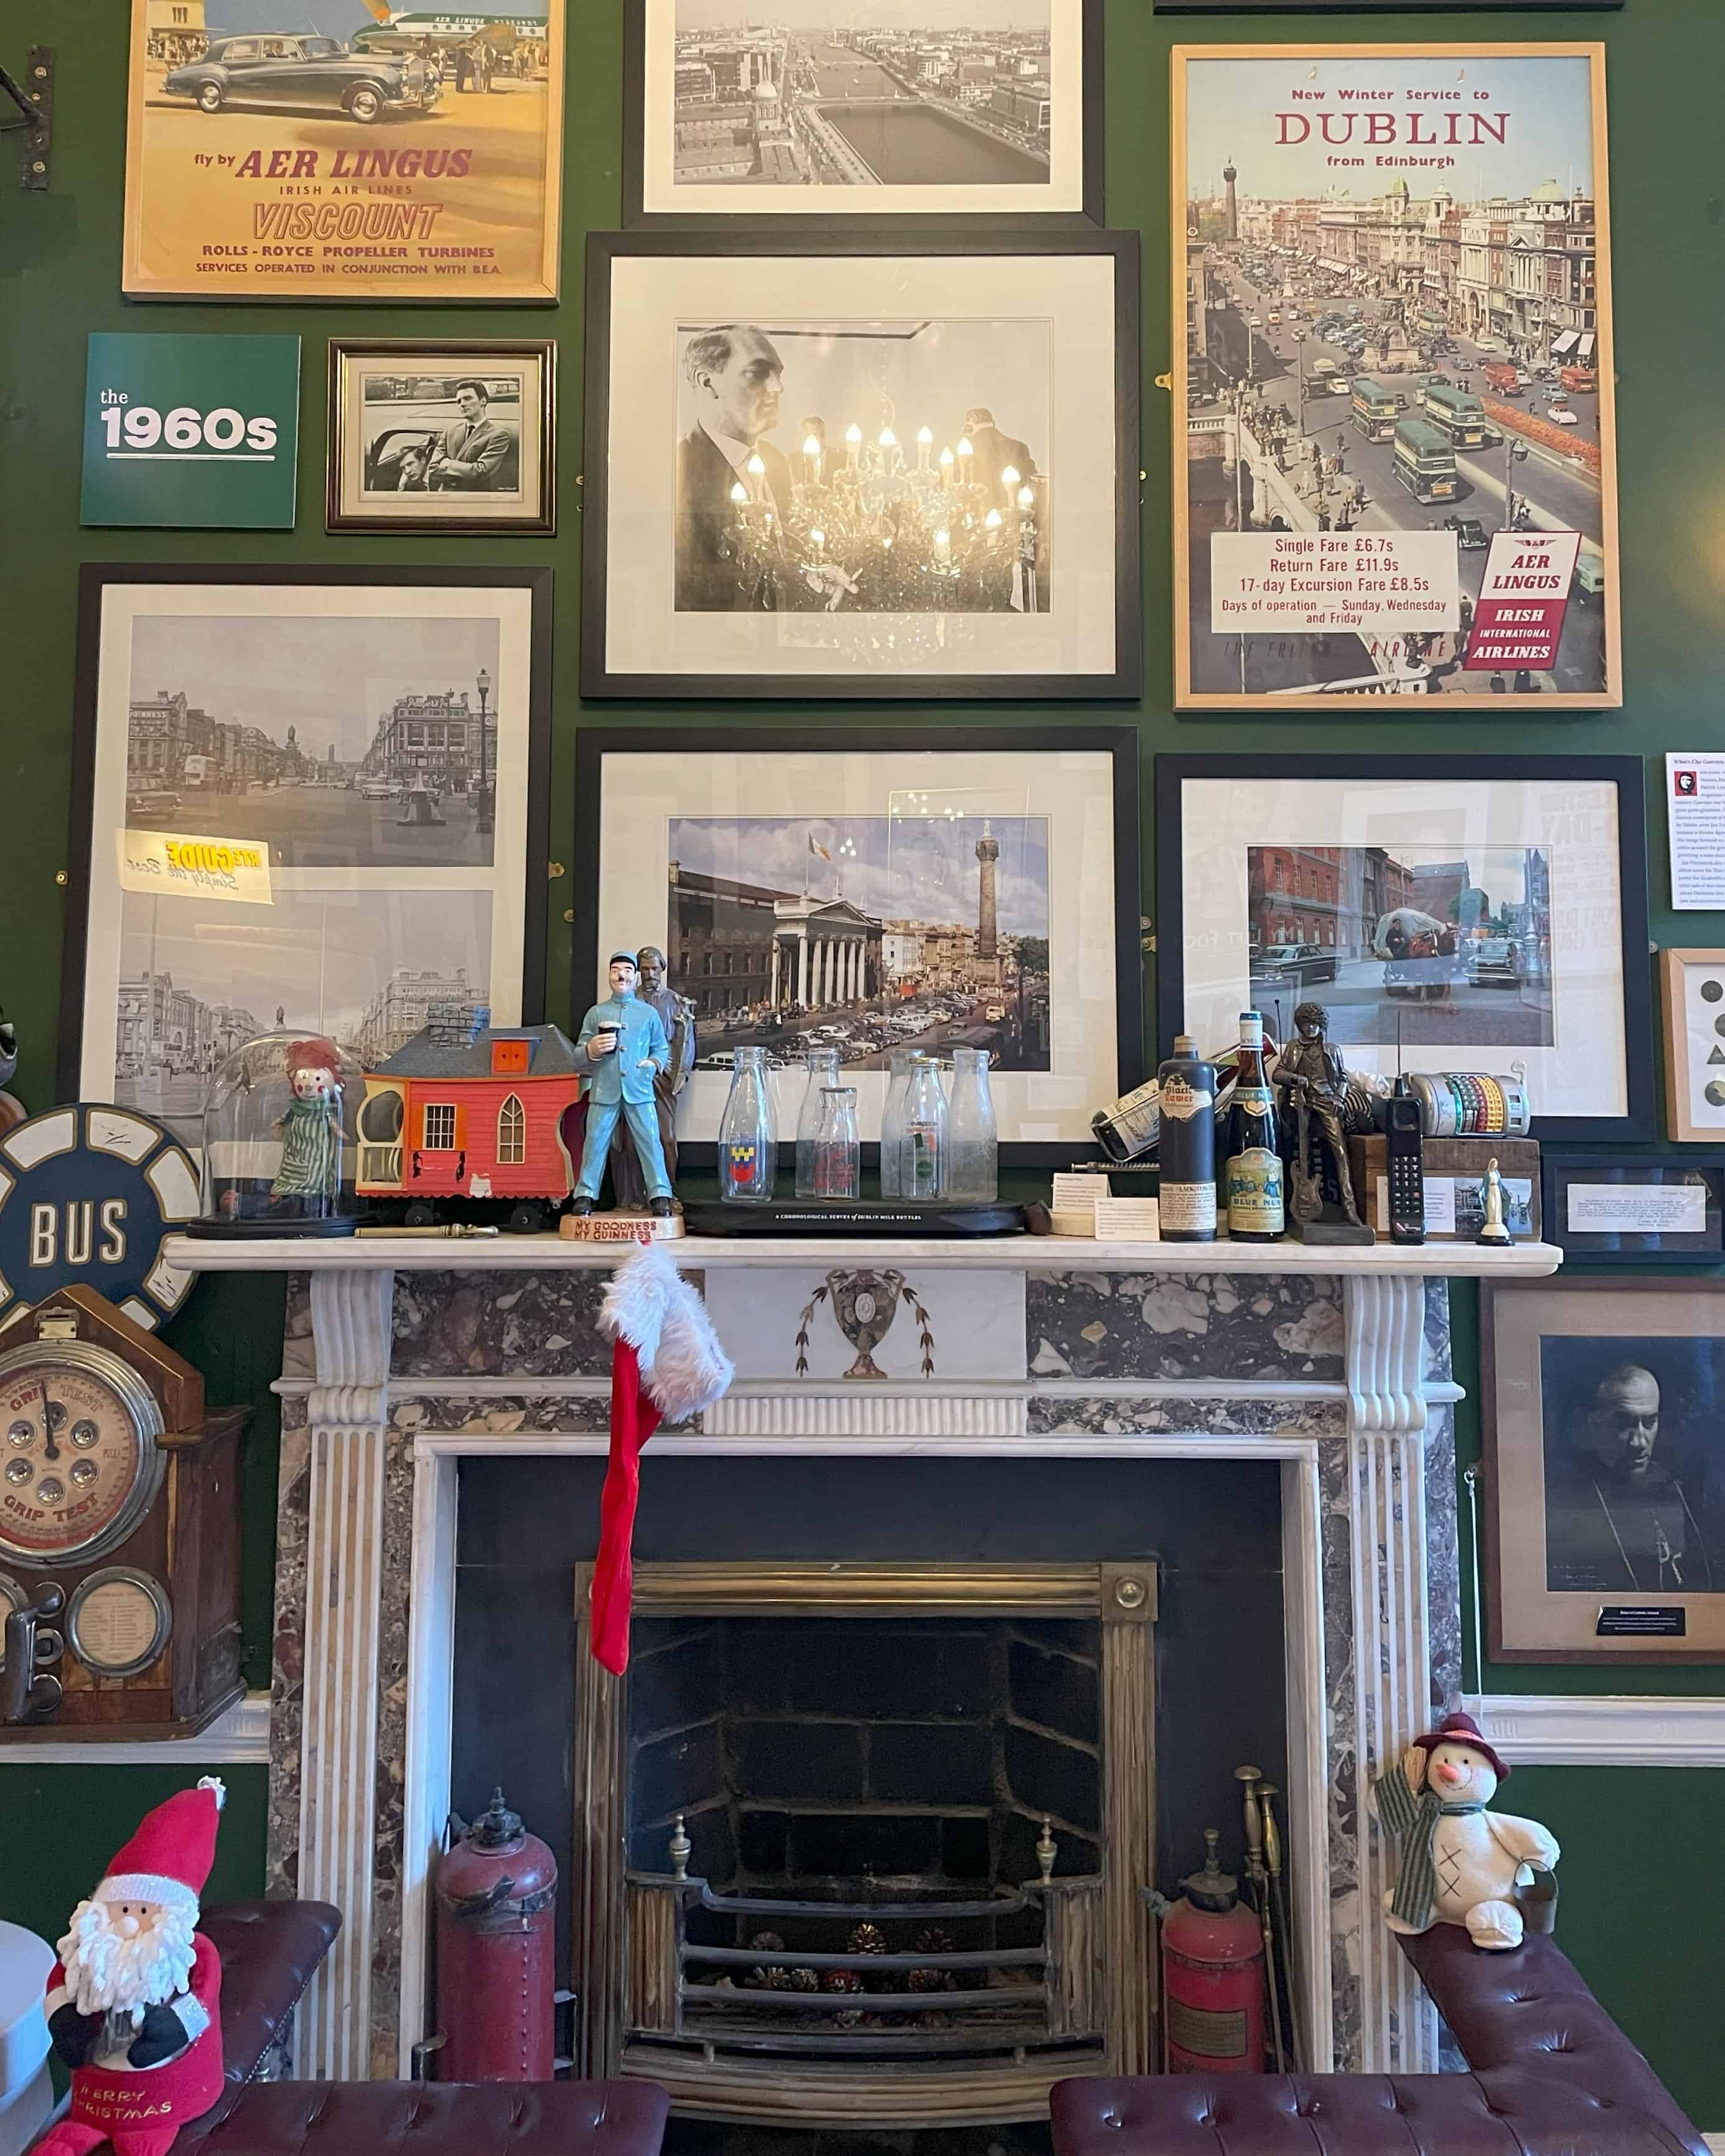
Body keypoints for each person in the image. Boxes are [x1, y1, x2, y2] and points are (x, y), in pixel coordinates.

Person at [1544, 1363, 1715, 1594]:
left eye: (1650, 1422)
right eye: (1623, 1425)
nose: (1640, 1443)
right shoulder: (1563, 1502)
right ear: (1591, 1422)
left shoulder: (1676, 1488)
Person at [675, 324, 795, 612]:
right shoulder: (677, 468)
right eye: (758, 373)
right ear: (707, 383)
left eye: (778, 373)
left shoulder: (776, 461)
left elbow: (787, 552)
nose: (778, 387)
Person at [570, 952, 675, 1218]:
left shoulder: (648, 1014)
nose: (621, 976)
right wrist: (592, 1050)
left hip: (639, 1089)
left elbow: (661, 1048)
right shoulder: (596, 1013)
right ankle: (585, 1194)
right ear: (609, 976)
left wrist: (653, 1064)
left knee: (651, 1140)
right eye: (616, 970)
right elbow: (578, 1057)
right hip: (604, 1090)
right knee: (595, 1141)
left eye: (627, 970)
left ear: (635, 976)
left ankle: (660, 1194)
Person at [609, 943, 696, 1208]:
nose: (649, 974)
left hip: (662, 1077)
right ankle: (634, 1196)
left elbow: (686, 1043)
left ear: (663, 970)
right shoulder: (627, 1002)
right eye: (644, 969)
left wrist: (675, 1076)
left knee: (665, 1137)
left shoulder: (675, 1003)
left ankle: (667, 1193)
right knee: (631, 1140)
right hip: (632, 1078)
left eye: (654, 969)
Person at [424, 380, 514, 492]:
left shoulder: (498, 435)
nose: (462, 404)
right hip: (448, 499)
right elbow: (433, 469)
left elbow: (481, 471)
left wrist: (448, 463)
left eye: (468, 398)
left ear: (483, 401)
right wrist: (466, 470)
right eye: (458, 401)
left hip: (475, 501)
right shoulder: (450, 432)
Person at [963, 405, 1039, 498]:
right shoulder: (1019, 447)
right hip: (1012, 508)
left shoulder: (966, 453)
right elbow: (1031, 484)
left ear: (969, 426)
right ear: (993, 423)